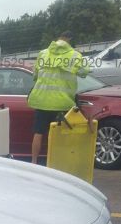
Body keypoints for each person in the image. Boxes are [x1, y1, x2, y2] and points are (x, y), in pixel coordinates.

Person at [27, 31, 90, 165]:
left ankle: (33, 162)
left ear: (58, 39)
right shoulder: (75, 55)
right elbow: (84, 72)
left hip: (41, 101)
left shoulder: (43, 53)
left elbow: (35, 76)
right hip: (63, 103)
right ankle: (57, 163)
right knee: (60, 135)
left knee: (38, 133)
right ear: (69, 41)